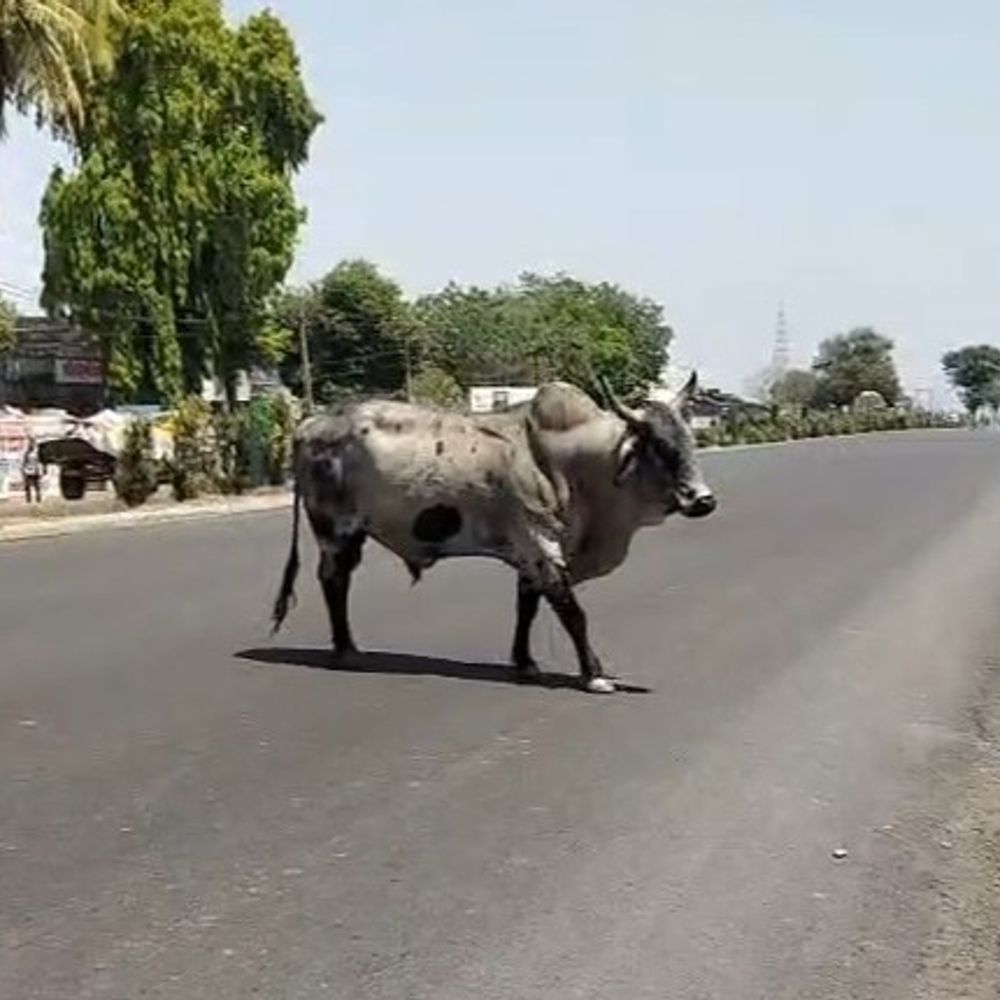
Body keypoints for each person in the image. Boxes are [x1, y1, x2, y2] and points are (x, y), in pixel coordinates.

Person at [22, 437, 43, 504]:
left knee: (37, 486)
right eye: (30, 444)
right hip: (28, 471)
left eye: (32, 443)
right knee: (27, 486)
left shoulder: (37, 453)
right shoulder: (27, 453)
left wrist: (40, 470)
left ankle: (38, 499)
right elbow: (24, 462)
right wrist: (23, 471)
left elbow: (39, 462)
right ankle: (28, 500)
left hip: (35, 471)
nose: (31, 445)